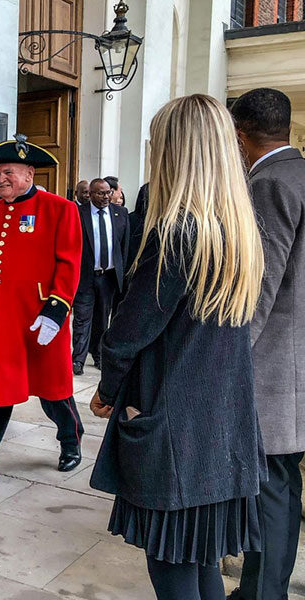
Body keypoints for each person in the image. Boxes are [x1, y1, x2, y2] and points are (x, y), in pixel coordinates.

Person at [89, 94, 265, 600]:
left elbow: (127, 332)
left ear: (176, 153)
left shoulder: (177, 232)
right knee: (200, 558)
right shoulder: (237, 231)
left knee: (172, 568)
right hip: (223, 423)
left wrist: (108, 390)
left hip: (174, 423)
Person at [0, 134, 85, 485]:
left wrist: (56, 311)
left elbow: (69, 265)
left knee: (53, 391)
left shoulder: (60, 209)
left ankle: (70, 440)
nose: (0, 179)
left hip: (40, 318)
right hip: (0, 322)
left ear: (29, 173)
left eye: (8, 172)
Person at [229, 87, 305, 600]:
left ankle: (262, 596)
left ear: (240, 135)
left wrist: (228, 361)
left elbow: (261, 289)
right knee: (284, 483)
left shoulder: (270, 184)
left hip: (280, 368)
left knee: (271, 488)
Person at [71, 178, 129, 375]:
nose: (106, 197)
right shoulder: (79, 214)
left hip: (108, 277)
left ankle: (98, 356)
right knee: (82, 318)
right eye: (101, 193)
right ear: (91, 194)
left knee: (102, 319)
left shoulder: (120, 214)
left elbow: (124, 247)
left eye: (108, 193)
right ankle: (77, 360)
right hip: (85, 276)